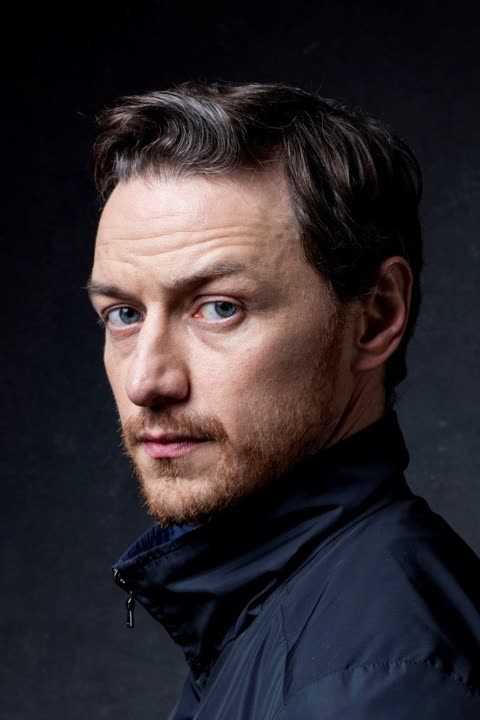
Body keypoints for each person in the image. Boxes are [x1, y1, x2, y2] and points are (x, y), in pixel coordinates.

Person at [86, 81, 480, 719]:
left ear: (376, 316)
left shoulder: (379, 678)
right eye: (124, 314)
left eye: (219, 308)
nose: (147, 382)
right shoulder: (280, 621)